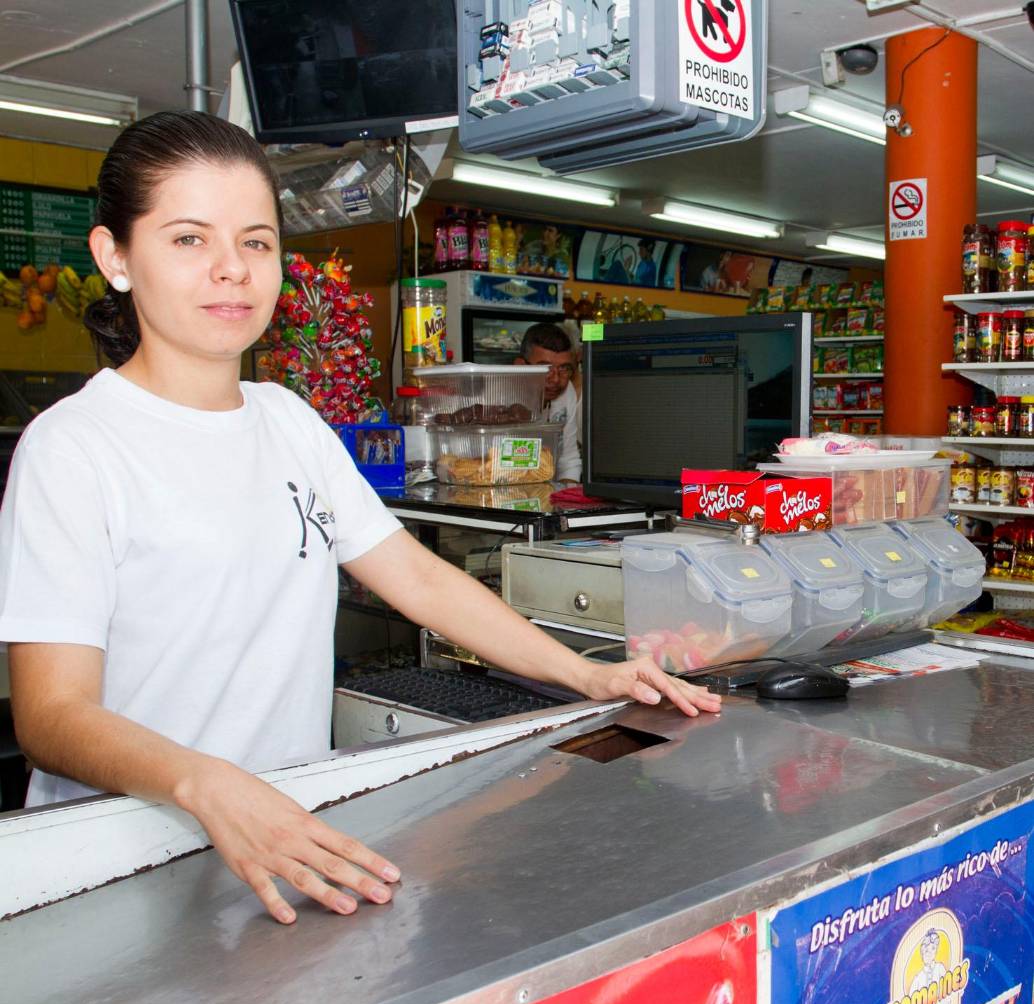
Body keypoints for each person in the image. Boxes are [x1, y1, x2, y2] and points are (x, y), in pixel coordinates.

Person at [0, 111, 720, 926]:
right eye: (188, 240)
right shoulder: (74, 448)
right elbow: (52, 716)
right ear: (115, 257)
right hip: (115, 867)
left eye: (257, 242)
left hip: (289, 840)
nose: (232, 270)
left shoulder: (288, 422)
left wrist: (587, 675)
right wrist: (205, 782)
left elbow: (414, 575)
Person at [514, 322, 581, 482]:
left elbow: (569, 460)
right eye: (545, 368)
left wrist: (567, 497)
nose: (556, 379)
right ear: (520, 366)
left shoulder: (567, 392)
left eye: (564, 368)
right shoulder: (502, 396)